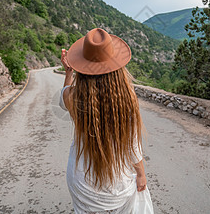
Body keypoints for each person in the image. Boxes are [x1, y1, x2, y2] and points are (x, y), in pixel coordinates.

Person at [59, 28, 153, 213]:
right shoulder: (127, 98)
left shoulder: (72, 96)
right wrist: (141, 174)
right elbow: (133, 146)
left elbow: (63, 101)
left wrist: (68, 73)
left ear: (82, 67)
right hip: (116, 187)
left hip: (81, 180)